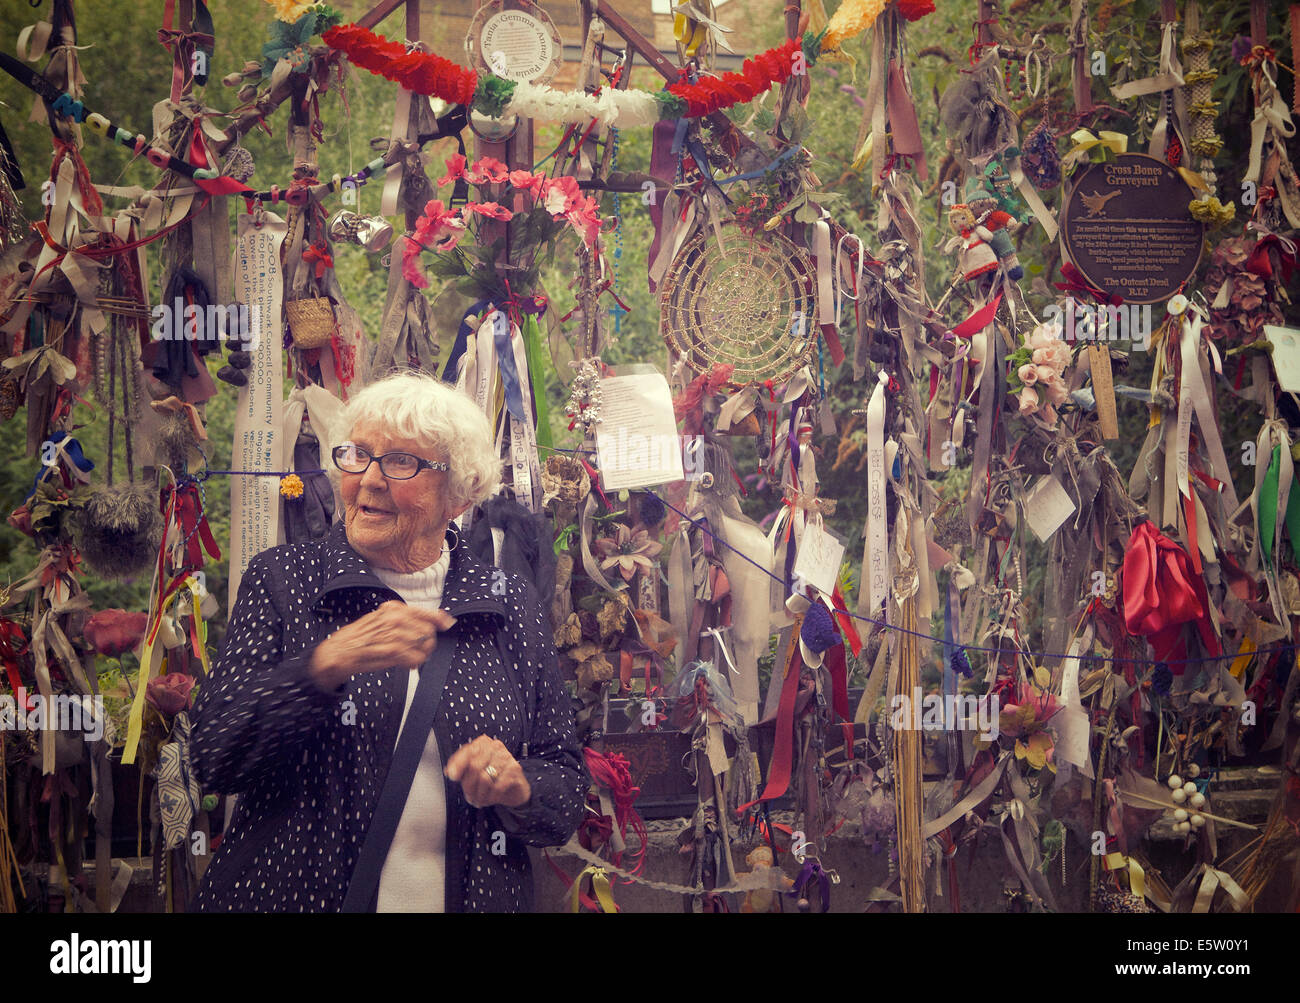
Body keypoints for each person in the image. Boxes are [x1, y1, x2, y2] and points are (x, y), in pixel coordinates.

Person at [189, 371, 586, 912]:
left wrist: (517, 786)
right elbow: (215, 754)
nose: (369, 479)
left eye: (401, 462)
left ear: (458, 493)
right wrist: (323, 666)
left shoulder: (505, 600)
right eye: (357, 455)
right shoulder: (285, 581)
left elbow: (564, 783)